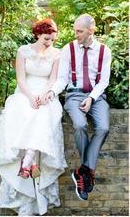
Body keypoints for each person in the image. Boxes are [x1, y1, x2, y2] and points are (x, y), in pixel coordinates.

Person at [0, 19, 67, 215]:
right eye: (45, 39)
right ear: (38, 35)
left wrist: (45, 94)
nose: (49, 42)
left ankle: (30, 158)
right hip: (25, 93)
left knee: (44, 114)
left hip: (45, 93)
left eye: (52, 39)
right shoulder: (23, 51)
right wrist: (30, 96)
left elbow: (53, 79)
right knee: (25, 112)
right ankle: (29, 160)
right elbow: (20, 79)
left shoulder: (57, 54)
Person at [46, 14, 111, 201]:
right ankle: (87, 171)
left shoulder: (104, 51)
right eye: (75, 30)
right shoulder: (68, 49)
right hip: (74, 95)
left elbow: (104, 81)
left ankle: (83, 171)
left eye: (80, 31)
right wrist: (53, 91)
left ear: (91, 31)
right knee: (80, 125)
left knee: (104, 127)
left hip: (97, 96)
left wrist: (91, 98)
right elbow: (62, 78)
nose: (76, 34)